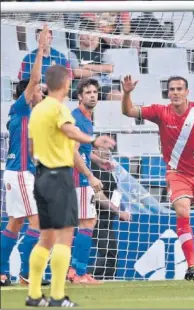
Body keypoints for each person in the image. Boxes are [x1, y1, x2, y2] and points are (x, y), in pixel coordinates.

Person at [121, 75, 194, 281]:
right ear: (168, 93)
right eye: (172, 89)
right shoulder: (160, 112)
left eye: (180, 89)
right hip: (177, 173)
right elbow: (128, 111)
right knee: (182, 211)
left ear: (187, 92)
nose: (176, 93)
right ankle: (191, 265)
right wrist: (127, 93)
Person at [26, 65, 115, 307]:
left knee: (48, 237)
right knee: (72, 232)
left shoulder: (37, 111)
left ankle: (34, 294)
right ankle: (69, 282)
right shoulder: (62, 110)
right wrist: (93, 146)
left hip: (42, 175)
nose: (93, 95)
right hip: (66, 177)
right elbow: (72, 141)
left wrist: (96, 160)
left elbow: (34, 148)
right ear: (66, 85)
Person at [1, 26, 50, 287]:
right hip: (19, 172)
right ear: (29, 94)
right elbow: (33, 82)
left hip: (19, 171)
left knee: (15, 223)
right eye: (39, 91)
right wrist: (41, 50)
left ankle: (1, 271)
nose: (42, 93)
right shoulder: (21, 107)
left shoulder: (30, 116)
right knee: (39, 221)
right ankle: (27, 274)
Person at [66, 78, 115, 284]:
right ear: (79, 96)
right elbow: (72, 152)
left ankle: (72, 271)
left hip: (71, 177)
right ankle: (79, 273)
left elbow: (82, 150)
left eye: (95, 92)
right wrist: (90, 175)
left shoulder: (85, 117)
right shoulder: (77, 119)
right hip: (77, 178)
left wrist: (98, 161)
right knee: (87, 222)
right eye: (88, 92)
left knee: (77, 225)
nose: (92, 95)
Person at [90, 150, 131, 280]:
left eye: (109, 147)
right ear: (94, 151)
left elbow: (114, 192)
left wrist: (120, 209)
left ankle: (100, 281)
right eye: (103, 145)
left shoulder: (108, 168)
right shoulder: (93, 168)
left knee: (110, 254)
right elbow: (98, 195)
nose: (108, 150)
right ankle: (93, 279)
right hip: (97, 217)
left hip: (107, 218)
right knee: (109, 253)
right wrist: (118, 211)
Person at [68, 21, 122, 101]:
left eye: (91, 33)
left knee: (119, 96)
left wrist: (86, 67)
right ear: (79, 35)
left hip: (102, 86)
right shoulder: (73, 53)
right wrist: (100, 70)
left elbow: (109, 68)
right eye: (85, 33)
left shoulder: (102, 52)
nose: (89, 36)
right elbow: (77, 72)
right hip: (82, 87)